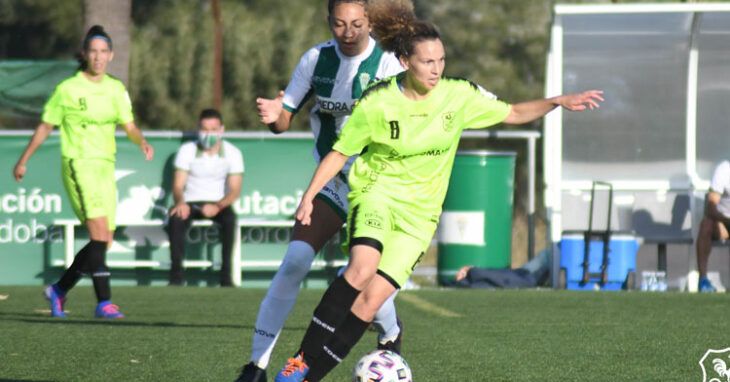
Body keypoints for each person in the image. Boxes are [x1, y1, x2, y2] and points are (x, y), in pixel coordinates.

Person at [272, 1, 604, 380]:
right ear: (404, 62)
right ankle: (297, 364)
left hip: (420, 217)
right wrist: (309, 197)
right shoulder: (378, 101)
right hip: (378, 194)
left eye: (441, 60)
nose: (436, 69)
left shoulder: (458, 95)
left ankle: (310, 378)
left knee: (370, 303)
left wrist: (557, 102)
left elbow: (511, 112)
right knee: (361, 269)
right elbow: (339, 152)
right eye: (427, 62)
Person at [236, 1, 405, 381]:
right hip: (331, 181)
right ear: (329, 21)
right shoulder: (315, 60)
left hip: (375, 186)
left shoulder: (388, 66)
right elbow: (284, 119)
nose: (348, 32)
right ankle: (256, 366)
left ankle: (391, 334)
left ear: (369, 23)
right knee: (295, 261)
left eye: (357, 24)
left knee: (367, 283)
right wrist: (274, 113)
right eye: (340, 24)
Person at [12, 25, 154, 319]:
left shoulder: (116, 89)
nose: (99, 57)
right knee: (100, 236)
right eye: (93, 51)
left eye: (104, 52)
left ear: (111, 55)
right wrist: (23, 159)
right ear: (84, 55)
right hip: (78, 164)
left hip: (105, 166)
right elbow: (45, 125)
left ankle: (59, 290)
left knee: (105, 241)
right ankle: (104, 302)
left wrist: (142, 142)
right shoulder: (68, 89)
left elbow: (129, 125)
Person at [167, 108, 243, 287]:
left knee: (230, 220)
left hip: (218, 203)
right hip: (191, 203)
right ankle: (176, 278)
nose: (209, 134)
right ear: (197, 129)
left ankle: (226, 278)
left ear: (222, 130)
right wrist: (181, 202)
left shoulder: (233, 153)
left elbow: (234, 191)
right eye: (204, 129)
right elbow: (178, 186)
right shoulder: (186, 150)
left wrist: (218, 206)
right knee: (176, 219)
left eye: (214, 129)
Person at [695, 160, 730, 292]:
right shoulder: (724, 170)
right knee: (706, 225)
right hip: (724, 222)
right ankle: (703, 280)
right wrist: (726, 220)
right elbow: (710, 208)